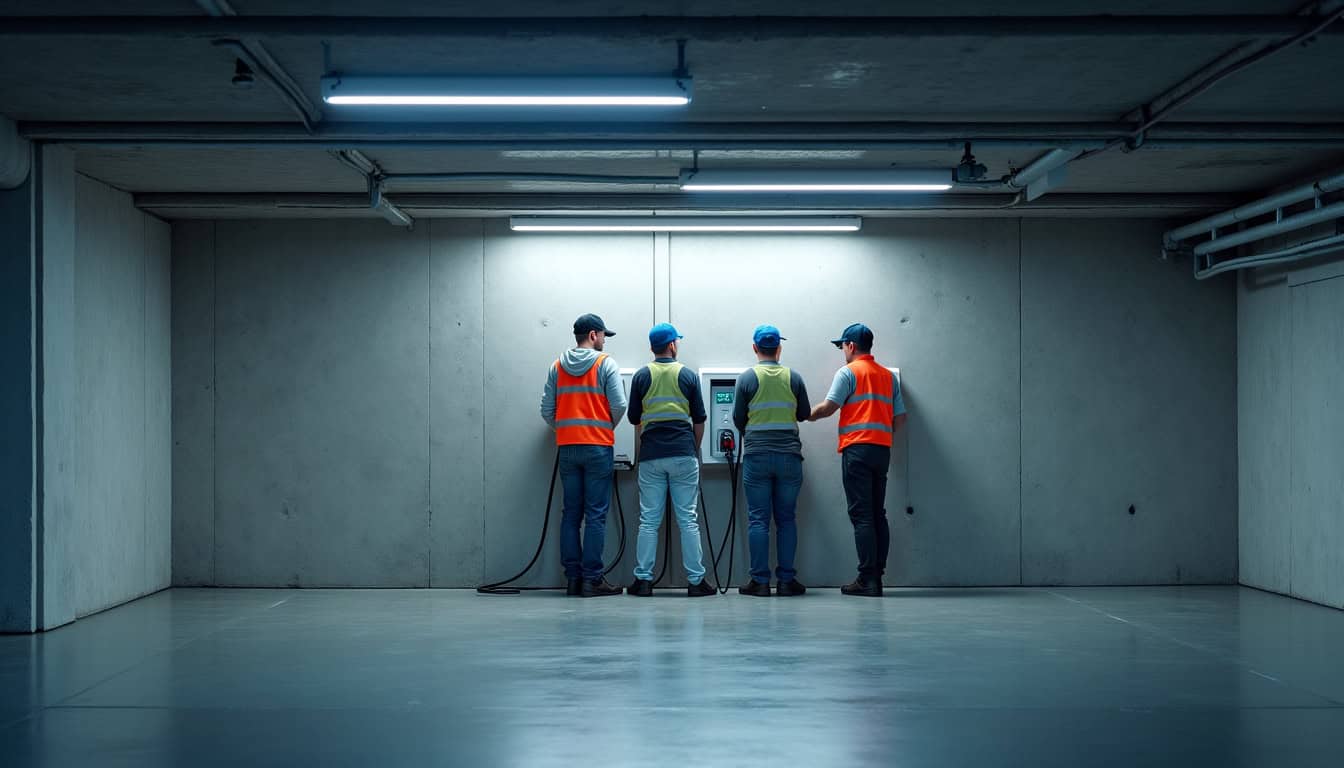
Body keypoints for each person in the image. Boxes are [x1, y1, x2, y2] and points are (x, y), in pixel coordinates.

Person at [808, 323, 907, 597]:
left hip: (857, 451)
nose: (842, 351)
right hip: (881, 451)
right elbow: (900, 418)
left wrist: (805, 414)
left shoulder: (848, 373)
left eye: (842, 346)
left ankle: (867, 579)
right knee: (878, 513)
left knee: (862, 515)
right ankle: (878, 575)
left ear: (851, 346)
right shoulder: (888, 377)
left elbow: (828, 408)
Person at [539, 313, 627, 597]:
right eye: (603, 335)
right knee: (596, 515)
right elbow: (619, 404)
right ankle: (592, 579)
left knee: (571, 514)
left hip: (567, 448)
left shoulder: (556, 367)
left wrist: (566, 429)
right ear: (592, 335)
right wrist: (603, 426)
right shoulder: (606, 364)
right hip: (598, 447)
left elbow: (546, 411)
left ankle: (573, 579)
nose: (603, 340)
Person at [625, 323, 715, 598]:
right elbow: (700, 418)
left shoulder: (641, 376)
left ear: (652, 347)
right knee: (687, 519)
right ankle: (696, 581)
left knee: (649, 520)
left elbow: (633, 418)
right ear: (673, 345)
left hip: (651, 455)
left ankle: (643, 580)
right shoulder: (687, 375)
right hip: (683, 452)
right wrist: (692, 447)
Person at [731, 325, 811, 597]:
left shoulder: (746, 379)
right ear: (779, 348)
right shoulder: (794, 378)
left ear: (755, 348)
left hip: (757, 457)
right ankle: (787, 581)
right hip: (789, 456)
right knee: (787, 519)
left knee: (758, 520)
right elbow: (804, 413)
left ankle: (760, 582)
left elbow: (738, 419)